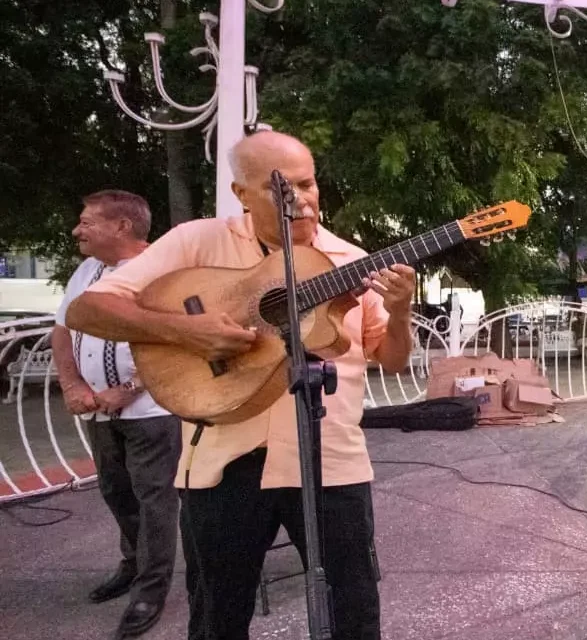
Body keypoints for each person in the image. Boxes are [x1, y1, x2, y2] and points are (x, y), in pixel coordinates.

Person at [65, 131, 415, 640]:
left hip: (330, 460)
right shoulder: (195, 242)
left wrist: (401, 308)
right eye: (281, 188)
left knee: (354, 615)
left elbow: (396, 360)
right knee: (217, 616)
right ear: (242, 193)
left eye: (308, 183)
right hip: (221, 461)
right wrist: (187, 331)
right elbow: (88, 308)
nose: (301, 199)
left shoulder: (348, 261)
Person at [50, 190, 182, 638]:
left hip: (151, 409)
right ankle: (134, 563)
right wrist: (73, 386)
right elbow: (63, 330)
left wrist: (128, 389)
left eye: (87, 222)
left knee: (154, 500)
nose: (77, 230)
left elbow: (180, 339)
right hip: (98, 411)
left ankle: (151, 589)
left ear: (122, 227)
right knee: (114, 491)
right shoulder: (88, 271)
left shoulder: (163, 269)